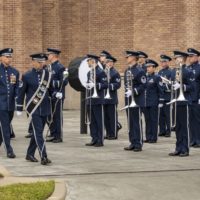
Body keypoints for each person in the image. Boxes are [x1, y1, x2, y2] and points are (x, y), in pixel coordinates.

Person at [16, 53, 57, 165]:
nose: (41, 64)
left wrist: (56, 94)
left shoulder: (48, 75)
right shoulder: (27, 76)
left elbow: (51, 90)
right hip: (33, 109)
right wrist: (19, 107)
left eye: (42, 62)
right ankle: (44, 156)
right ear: (33, 62)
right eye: (39, 62)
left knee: (36, 133)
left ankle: (29, 154)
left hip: (45, 108)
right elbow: (21, 93)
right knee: (39, 133)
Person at [169, 51, 193, 157]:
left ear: (182, 58)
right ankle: (178, 148)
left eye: (177, 58)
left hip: (185, 101)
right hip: (176, 101)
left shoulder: (187, 71)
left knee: (184, 127)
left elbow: (192, 86)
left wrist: (182, 87)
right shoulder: (176, 71)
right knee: (177, 126)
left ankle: (185, 149)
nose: (175, 60)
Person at [123, 51, 146, 152]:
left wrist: (134, 91)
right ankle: (132, 141)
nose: (126, 58)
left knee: (136, 122)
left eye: (128, 57)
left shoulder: (139, 70)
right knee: (130, 122)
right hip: (129, 100)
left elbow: (143, 85)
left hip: (136, 100)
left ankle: (138, 143)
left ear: (133, 57)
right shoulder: (127, 70)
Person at [0, 48, 19, 158]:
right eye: (7, 56)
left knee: (3, 127)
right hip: (1, 104)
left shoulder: (14, 72)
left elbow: (16, 88)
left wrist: (18, 99)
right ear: (1, 58)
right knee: (6, 128)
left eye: (10, 56)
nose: (9, 58)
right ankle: (9, 150)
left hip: (10, 105)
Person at [46, 48, 68, 143]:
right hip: (49, 94)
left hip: (57, 95)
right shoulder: (49, 67)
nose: (48, 56)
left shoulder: (61, 67)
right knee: (50, 116)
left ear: (54, 55)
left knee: (57, 116)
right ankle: (53, 133)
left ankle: (58, 136)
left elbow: (65, 81)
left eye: (49, 54)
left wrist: (51, 83)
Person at [85, 54, 107, 147]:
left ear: (93, 60)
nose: (87, 62)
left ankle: (100, 139)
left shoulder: (100, 72)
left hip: (98, 100)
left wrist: (96, 85)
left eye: (88, 60)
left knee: (99, 121)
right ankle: (94, 138)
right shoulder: (89, 72)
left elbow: (105, 84)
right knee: (92, 121)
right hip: (90, 99)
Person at [143, 59, 164, 143]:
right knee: (147, 120)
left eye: (149, 67)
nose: (147, 68)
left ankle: (153, 137)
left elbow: (161, 90)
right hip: (146, 102)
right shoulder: (145, 77)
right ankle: (148, 137)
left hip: (154, 102)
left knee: (153, 120)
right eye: (147, 67)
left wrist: (161, 101)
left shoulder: (157, 77)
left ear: (154, 68)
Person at [104, 55, 121, 140]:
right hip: (104, 98)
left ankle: (113, 134)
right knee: (106, 117)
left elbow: (118, 85)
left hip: (112, 98)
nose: (109, 64)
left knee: (112, 117)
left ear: (113, 63)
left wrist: (108, 86)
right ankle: (108, 133)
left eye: (110, 62)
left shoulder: (115, 73)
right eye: (107, 62)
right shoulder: (103, 72)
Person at [187, 48, 200, 148]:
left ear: (197, 57)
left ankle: (198, 140)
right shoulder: (188, 68)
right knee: (191, 120)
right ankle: (192, 140)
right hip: (190, 98)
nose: (189, 58)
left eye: (191, 56)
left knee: (197, 120)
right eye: (189, 56)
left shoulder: (199, 68)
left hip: (197, 98)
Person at [158, 55, 172, 137]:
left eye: (164, 62)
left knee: (167, 115)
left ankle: (168, 131)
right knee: (161, 115)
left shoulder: (170, 72)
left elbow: (171, 84)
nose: (163, 63)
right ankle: (162, 130)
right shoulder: (160, 72)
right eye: (162, 62)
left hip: (167, 96)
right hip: (161, 97)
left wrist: (162, 87)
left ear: (167, 62)